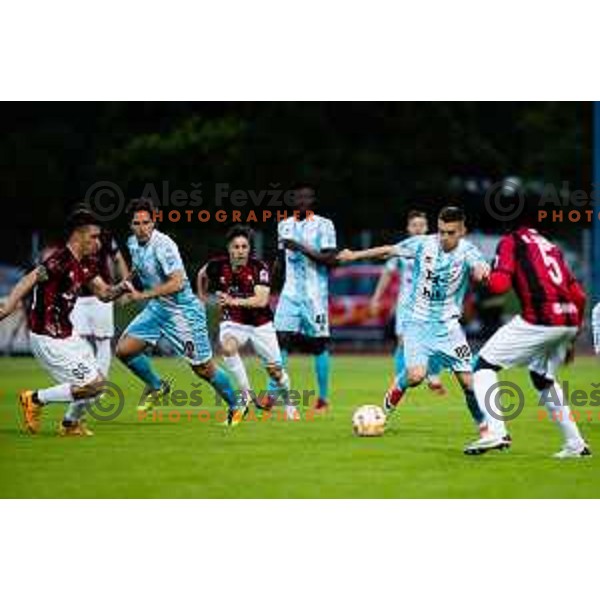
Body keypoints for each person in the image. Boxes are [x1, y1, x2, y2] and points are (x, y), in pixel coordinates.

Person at [338, 205, 490, 434]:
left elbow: (480, 266)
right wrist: (355, 255)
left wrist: (482, 272)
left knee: (468, 383)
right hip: (417, 323)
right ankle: (389, 402)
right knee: (416, 376)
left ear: (462, 231)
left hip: (449, 328)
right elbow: (389, 251)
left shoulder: (469, 251)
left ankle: (485, 429)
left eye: (451, 233)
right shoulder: (423, 243)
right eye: (441, 231)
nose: (445, 238)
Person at [0, 208, 132, 436]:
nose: (98, 243)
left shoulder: (86, 263)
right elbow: (29, 278)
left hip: (68, 335)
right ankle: (34, 399)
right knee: (94, 384)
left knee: (98, 386)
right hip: (47, 337)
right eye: (93, 237)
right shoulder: (59, 261)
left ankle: (70, 424)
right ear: (78, 235)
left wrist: (122, 287)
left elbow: (103, 294)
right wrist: (10, 304)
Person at [464, 226, 590, 458]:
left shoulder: (512, 241)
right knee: (542, 378)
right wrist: (572, 337)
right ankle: (576, 444)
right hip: (569, 318)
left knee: (483, 366)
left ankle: (496, 431)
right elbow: (580, 295)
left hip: (541, 318)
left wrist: (483, 276)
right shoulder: (550, 245)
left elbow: (500, 285)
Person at [115, 198, 243, 426]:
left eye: (146, 222)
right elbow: (137, 268)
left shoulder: (164, 245)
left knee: (203, 368)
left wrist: (141, 296)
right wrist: (122, 286)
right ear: (131, 225)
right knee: (124, 350)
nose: (142, 227)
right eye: (137, 223)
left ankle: (237, 406)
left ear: (153, 222)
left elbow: (176, 283)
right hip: (158, 308)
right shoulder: (132, 243)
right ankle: (157, 386)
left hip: (182, 312)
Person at [197, 225, 298, 419]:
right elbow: (202, 275)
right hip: (233, 322)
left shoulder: (259, 268)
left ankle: (289, 403)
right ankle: (246, 394)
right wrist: (201, 299)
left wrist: (233, 300)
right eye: (236, 247)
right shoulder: (217, 265)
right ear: (229, 249)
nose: (240, 251)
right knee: (227, 348)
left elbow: (261, 300)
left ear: (249, 249)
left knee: (276, 372)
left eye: (244, 246)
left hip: (261, 324)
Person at [274, 183, 337, 411]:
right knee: (280, 339)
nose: (302, 202)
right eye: (297, 198)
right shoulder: (284, 225)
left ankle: (323, 397)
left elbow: (330, 259)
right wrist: (269, 288)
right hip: (289, 294)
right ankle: (273, 395)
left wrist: (300, 247)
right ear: (292, 201)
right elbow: (280, 261)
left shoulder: (324, 225)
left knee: (318, 344)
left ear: (312, 202)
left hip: (315, 296)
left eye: (306, 198)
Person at [370, 209, 446, 394]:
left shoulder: (438, 246)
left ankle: (432, 375)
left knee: (434, 340)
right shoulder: (401, 247)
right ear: (408, 228)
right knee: (403, 342)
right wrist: (376, 298)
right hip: (407, 304)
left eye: (422, 225)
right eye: (414, 225)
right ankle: (399, 382)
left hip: (431, 303)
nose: (418, 228)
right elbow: (388, 273)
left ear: (427, 227)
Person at [70, 227, 129, 377]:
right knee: (77, 339)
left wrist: (125, 286)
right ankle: (89, 379)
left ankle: (100, 382)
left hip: (102, 294)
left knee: (102, 340)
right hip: (78, 296)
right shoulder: (74, 236)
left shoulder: (106, 236)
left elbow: (118, 259)